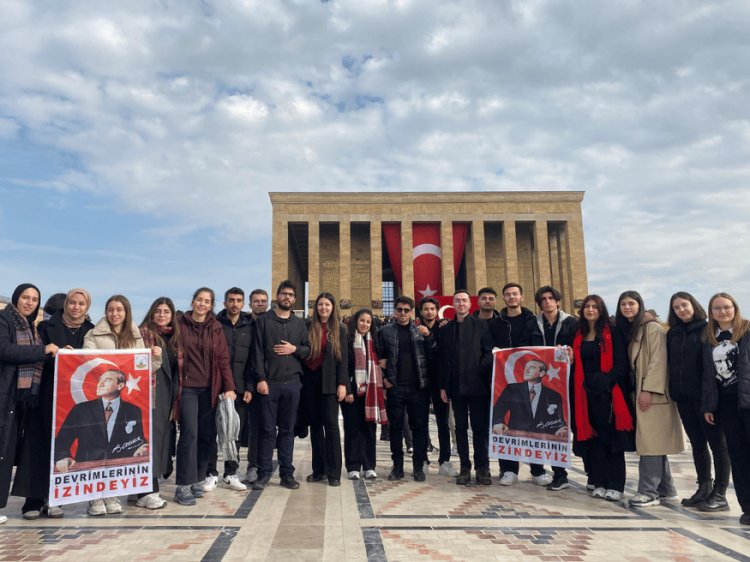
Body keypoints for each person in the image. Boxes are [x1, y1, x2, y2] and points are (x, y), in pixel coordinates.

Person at [12, 288, 93, 519]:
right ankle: (33, 500)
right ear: (66, 304)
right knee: (38, 445)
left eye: (81, 304)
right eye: (72, 303)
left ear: (87, 307)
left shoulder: (91, 331)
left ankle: (55, 498)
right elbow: (37, 353)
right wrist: (54, 356)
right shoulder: (45, 328)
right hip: (47, 395)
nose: (76, 307)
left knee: (64, 448)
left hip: (75, 400)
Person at [82, 294, 156, 516]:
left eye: (119, 310)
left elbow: (143, 367)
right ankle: (95, 496)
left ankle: (112, 492)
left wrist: (156, 358)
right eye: (111, 309)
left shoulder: (135, 336)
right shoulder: (93, 333)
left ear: (126, 312)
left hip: (124, 401)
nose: (115, 314)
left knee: (116, 445)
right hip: (98, 398)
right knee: (95, 445)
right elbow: (85, 359)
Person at [616, 291, 684, 507]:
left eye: (631, 303)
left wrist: (648, 390)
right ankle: (666, 488)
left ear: (640, 305)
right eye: (623, 304)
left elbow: (658, 361)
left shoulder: (652, 328)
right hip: (640, 392)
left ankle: (648, 492)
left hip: (652, 394)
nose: (627, 307)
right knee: (654, 441)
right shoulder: (636, 328)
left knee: (650, 442)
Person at [0, 284, 59, 525]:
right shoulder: (5, 319)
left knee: (5, 452)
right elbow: (4, 350)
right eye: (26, 297)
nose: (30, 302)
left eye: (35, 299)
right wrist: (42, 350)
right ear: (16, 298)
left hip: (18, 398)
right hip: (5, 393)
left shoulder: (30, 328)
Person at [173, 288, 236, 506]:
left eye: (206, 301)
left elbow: (222, 359)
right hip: (188, 388)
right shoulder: (180, 324)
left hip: (210, 388)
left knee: (207, 436)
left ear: (211, 305)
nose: (202, 304)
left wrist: (229, 387)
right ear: (192, 302)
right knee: (189, 434)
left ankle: (197, 479)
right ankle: (182, 485)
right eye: (199, 300)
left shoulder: (215, 327)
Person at [667, 292, 730, 510]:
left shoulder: (707, 330)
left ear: (693, 305)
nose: (681, 310)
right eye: (676, 307)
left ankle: (720, 493)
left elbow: (709, 369)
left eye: (684, 305)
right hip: (683, 397)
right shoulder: (673, 333)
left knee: (717, 444)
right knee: (697, 443)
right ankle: (704, 487)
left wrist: (708, 402)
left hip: (705, 398)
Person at [482, 282, 549, 486]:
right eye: (508, 295)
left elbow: (541, 348)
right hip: (507, 380)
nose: (511, 298)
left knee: (534, 424)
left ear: (521, 297)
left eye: (515, 294)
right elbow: (488, 347)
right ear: (504, 299)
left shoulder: (533, 321)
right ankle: (508, 469)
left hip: (530, 379)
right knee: (508, 423)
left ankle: (537, 470)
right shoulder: (496, 323)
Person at [572, 295, 635, 502]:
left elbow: (621, 365)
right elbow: (575, 363)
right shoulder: (579, 335)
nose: (590, 310)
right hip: (585, 393)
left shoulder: (612, 332)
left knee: (612, 441)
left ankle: (616, 484)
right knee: (595, 440)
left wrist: (606, 381)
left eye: (594, 307)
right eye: (587, 307)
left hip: (608, 393)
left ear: (601, 310)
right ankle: (599, 481)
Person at [251, 280, 310, 490]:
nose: (287, 297)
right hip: (270, 384)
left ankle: (286, 473)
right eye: (284, 293)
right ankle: (264, 473)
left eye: (291, 295)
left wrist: (294, 349)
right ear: (277, 296)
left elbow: (307, 350)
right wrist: (260, 379)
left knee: (287, 431)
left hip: (292, 384)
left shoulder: (299, 324)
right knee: (267, 430)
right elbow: (257, 352)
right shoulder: (264, 321)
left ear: (294, 299)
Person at [702, 293, 750, 526]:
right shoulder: (710, 337)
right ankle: (748, 507)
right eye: (717, 308)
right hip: (726, 405)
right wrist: (709, 406)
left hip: (747, 401)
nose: (723, 312)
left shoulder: (747, 331)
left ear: (735, 308)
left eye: (726, 307)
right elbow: (708, 377)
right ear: (711, 313)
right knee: (739, 456)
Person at [379, 296, 435, 482]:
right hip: (396, 387)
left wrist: (429, 337)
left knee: (419, 428)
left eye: (406, 310)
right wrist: (384, 378)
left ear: (412, 312)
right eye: (399, 310)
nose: (402, 313)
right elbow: (379, 358)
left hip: (418, 387)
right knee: (395, 428)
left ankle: (418, 466)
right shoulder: (385, 331)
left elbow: (432, 354)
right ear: (394, 311)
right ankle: (398, 467)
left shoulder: (420, 331)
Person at [438, 290, 491, 485]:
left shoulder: (481, 326)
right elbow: (443, 360)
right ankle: (465, 466)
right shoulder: (447, 328)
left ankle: (482, 466)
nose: (461, 303)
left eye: (464, 300)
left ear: (470, 304)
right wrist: (443, 386)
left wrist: (479, 369)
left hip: (477, 386)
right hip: (456, 387)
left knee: (479, 427)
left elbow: (489, 353)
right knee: (460, 428)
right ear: (453, 304)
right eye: (457, 301)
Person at [529, 285, 578, 491]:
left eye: (550, 298)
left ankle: (572, 474)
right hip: (543, 385)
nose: (547, 302)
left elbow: (580, 348)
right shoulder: (533, 324)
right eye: (543, 299)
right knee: (543, 426)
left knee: (566, 427)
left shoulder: (572, 323)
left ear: (558, 301)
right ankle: (548, 472)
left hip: (567, 383)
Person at [206, 288, 253, 493]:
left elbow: (254, 358)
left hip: (240, 387)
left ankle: (231, 473)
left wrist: (249, 386)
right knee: (214, 432)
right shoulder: (215, 324)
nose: (235, 304)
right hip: (217, 386)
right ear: (224, 303)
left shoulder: (249, 325)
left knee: (235, 432)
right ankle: (210, 473)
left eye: (239, 300)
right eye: (231, 300)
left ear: (243, 304)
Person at [139, 297, 182, 510]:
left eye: (166, 311)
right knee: (150, 442)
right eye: (158, 311)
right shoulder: (143, 334)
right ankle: (148, 490)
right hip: (150, 395)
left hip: (168, 396)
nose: (162, 315)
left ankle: (140, 489)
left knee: (161, 440)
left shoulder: (173, 337)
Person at [54, 369, 148, 467]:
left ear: (120, 385)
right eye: (100, 380)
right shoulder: (81, 410)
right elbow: (61, 441)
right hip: (86, 472)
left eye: (107, 380)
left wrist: (141, 448)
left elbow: (137, 440)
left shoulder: (133, 410)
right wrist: (63, 458)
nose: (100, 384)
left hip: (120, 471)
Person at [303, 292, 348, 486]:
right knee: (315, 427)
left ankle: (334, 472)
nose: (323, 308)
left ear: (332, 308)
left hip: (330, 382)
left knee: (331, 426)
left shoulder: (340, 330)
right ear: (316, 308)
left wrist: (343, 383)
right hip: (311, 382)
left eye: (327, 305)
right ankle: (318, 470)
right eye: (320, 305)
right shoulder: (308, 326)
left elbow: (343, 359)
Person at [342, 309, 387, 480]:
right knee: (352, 429)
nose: (365, 324)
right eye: (362, 320)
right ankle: (353, 466)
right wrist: (348, 389)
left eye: (368, 322)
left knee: (369, 429)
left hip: (371, 393)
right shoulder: (348, 340)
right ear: (355, 321)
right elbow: (344, 366)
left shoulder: (374, 342)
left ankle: (369, 465)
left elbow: (382, 362)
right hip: (352, 393)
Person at [418, 297, 457, 477]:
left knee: (442, 422)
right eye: (426, 309)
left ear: (437, 310)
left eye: (432, 309)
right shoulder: (415, 330)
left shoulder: (445, 328)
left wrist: (446, 384)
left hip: (440, 382)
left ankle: (444, 460)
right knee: (421, 422)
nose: (429, 312)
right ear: (421, 311)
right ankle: (423, 460)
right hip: (420, 382)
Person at [491, 356, 567, 436]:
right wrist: (498, 423)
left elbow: (559, 420)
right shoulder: (512, 389)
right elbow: (498, 411)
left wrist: (561, 429)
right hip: (516, 438)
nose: (526, 371)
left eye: (532, 367)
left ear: (542, 373)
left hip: (542, 440)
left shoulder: (554, 395)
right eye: (525, 367)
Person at [246, 288, 269, 482]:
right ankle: (246, 466)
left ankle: (261, 465)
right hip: (246, 382)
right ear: (250, 303)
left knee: (264, 428)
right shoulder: (245, 324)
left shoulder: (271, 322)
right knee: (244, 427)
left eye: (263, 301)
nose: (260, 304)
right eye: (256, 301)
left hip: (266, 382)